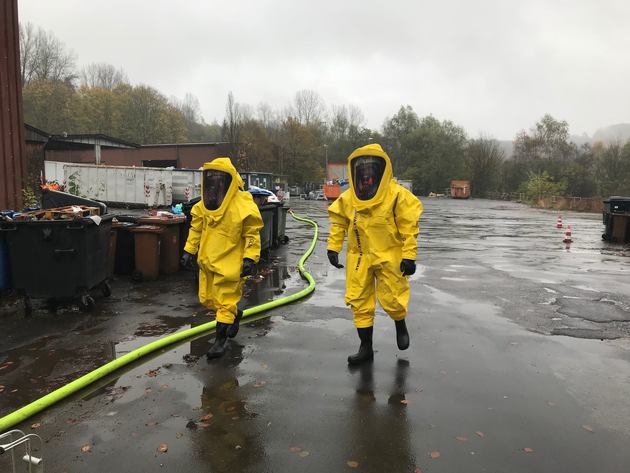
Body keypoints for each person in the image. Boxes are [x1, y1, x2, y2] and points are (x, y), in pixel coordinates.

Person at [327, 143, 423, 365]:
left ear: (382, 170)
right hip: (359, 256)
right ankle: (365, 347)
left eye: (371, 169)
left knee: (393, 294)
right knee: (358, 299)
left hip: (389, 254)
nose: (367, 175)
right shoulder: (350, 197)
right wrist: (333, 247)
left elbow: (409, 227)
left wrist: (409, 256)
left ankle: (400, 322)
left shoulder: (397, 195)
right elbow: (338, 223)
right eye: (363, 170)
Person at [181, 157, 264, 359]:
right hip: (208, 262)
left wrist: (249, 259)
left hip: (230, 265)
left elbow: (252, 234)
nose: (215, 186)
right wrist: (188, 251)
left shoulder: (242, 206)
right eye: (212, 181)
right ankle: (234, 315)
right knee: (209, 300)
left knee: (225, 302)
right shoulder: (205, 205)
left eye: (220, 181)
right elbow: (196, 229)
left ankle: (220, 342)